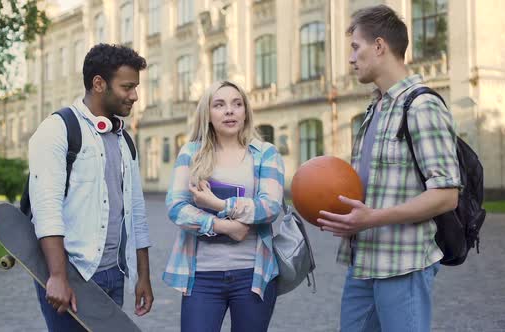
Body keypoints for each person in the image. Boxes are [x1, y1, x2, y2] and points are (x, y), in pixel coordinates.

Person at [315, 5, 462, 332]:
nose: (351, 59)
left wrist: (373, 218)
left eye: (356, 47)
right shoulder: (374, 108)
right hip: (363, 261)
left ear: (379, 46)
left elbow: (446, 195)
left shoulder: (422, 105)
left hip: (403, 265)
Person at [27, 44, 154, 331]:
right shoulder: (57, 129)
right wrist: (57, 275)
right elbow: (46, 209)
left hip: (115, 272)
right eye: (127, 87)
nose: (134, 95)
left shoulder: (123, 139)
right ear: (99, 84)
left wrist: (142, 276)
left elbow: (136, 213)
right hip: (73, 275)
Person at [163, 80, 285, 331]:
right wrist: (226, 227)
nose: (230, 111)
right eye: (219, 105)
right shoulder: (191, 153)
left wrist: (217, 203)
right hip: (202, 277)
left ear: (245, 111)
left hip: (252, 274)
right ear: (207, 114)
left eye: (237, 104)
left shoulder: (265, 153)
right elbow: (176, 207)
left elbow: (270, 207)